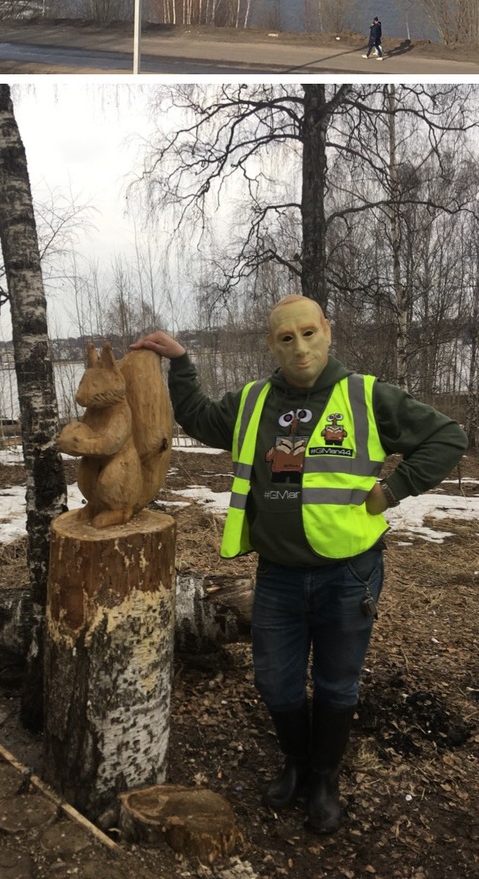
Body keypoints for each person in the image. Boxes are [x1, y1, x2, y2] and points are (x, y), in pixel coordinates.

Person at [132, 298, 465, 834]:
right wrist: (181, 361)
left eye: (308, 333)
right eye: (286, 338)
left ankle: (325, 778)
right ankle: (295, 761)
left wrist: (394, 489)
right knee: (276, 682)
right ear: (271, 344)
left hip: (349, 573)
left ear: (327, 333)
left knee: (337, 683)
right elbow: (197, 416)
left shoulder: (365, 395)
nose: (300, 346)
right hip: (279, 575)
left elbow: (448, 436)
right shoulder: (254, 401)